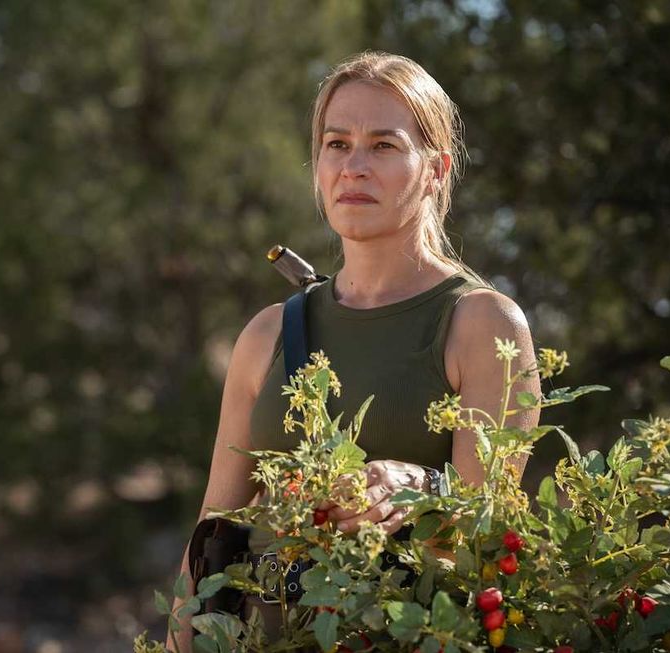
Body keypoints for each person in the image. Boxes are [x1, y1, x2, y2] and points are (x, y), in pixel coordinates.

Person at [167, 51, 541, 652]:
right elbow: (211, 537)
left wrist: (419, 485)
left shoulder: (481, 323)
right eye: (337, 144)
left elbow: (490, 538)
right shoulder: (266, 334)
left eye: (385, 146)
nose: (354, 167)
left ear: (437, 169)